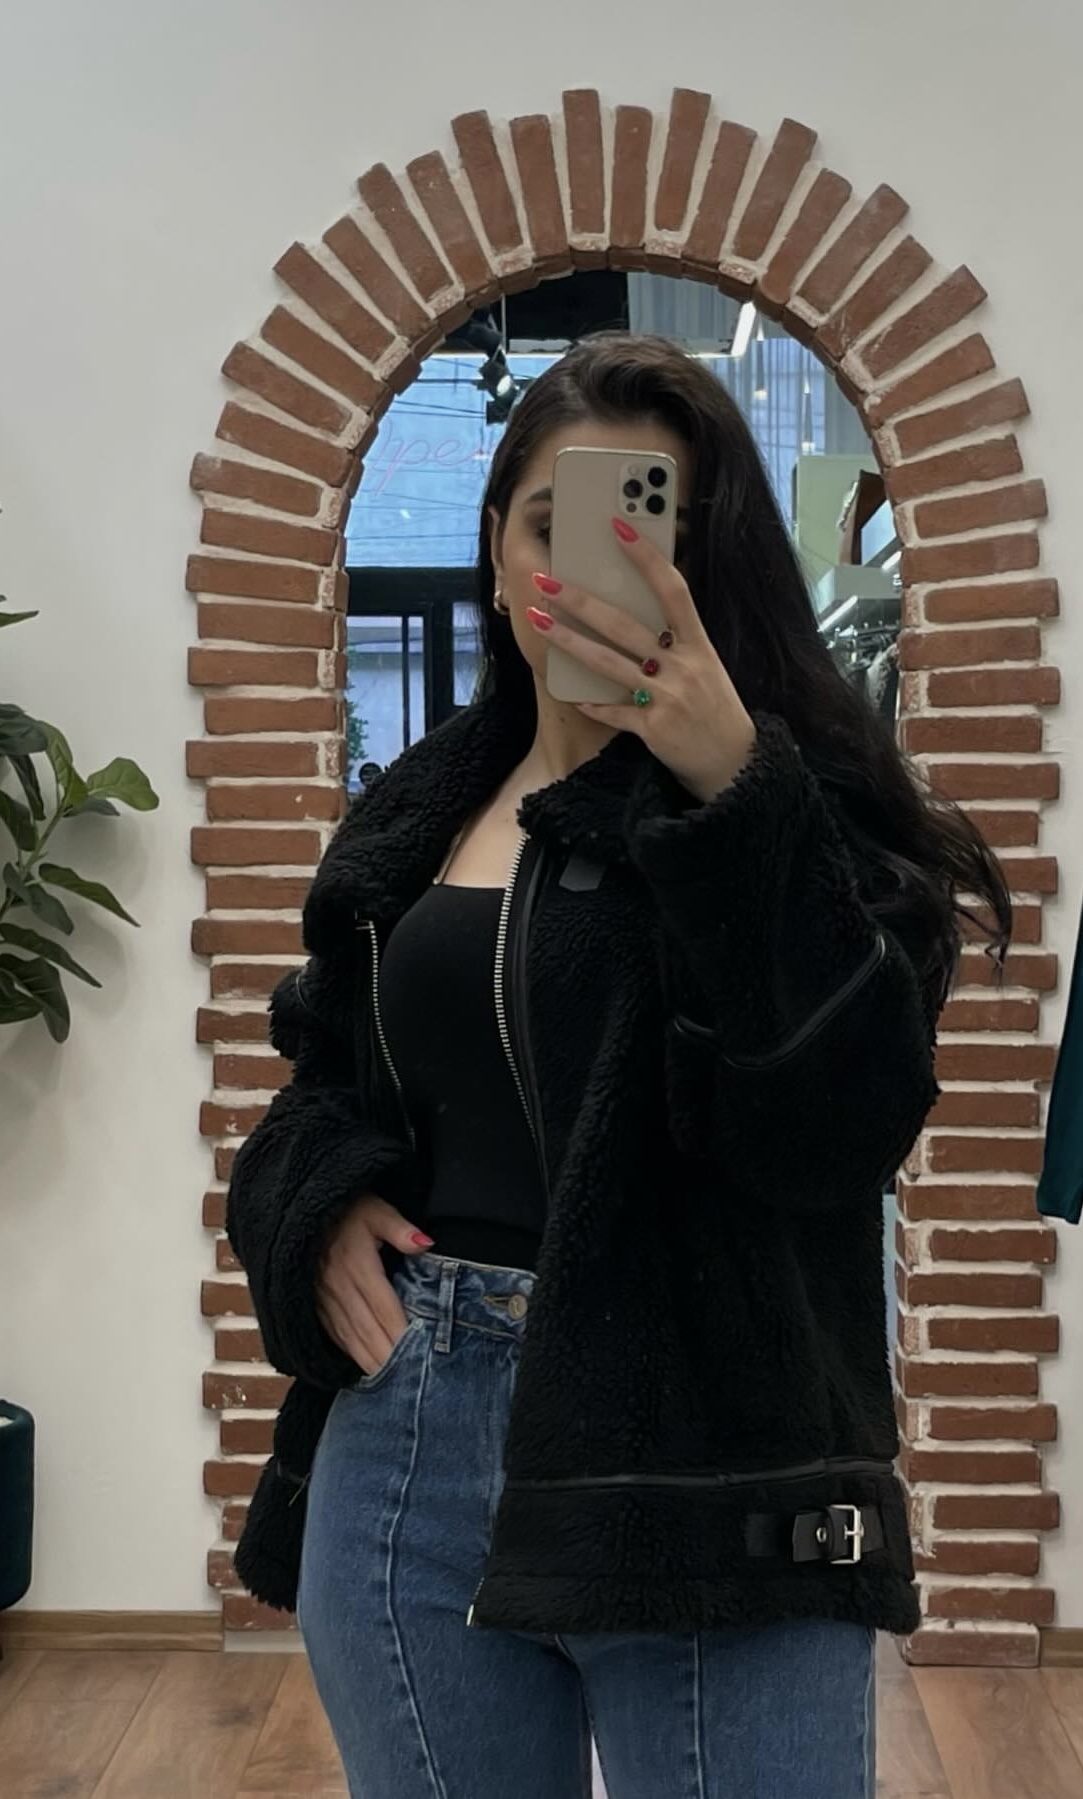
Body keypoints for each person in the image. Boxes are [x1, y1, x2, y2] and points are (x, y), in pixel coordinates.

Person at [225, 334, 1010, 1799]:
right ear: (499, 546)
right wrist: (313, 1209)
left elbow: (842, 1127)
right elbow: (320, 1083)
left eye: (664, 532)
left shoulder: (801, 812)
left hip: (714, 1470)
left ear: (720, 569)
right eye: (555, 524)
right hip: (408, 1446)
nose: (602, 569)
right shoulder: (415, 816)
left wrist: (731, 786)